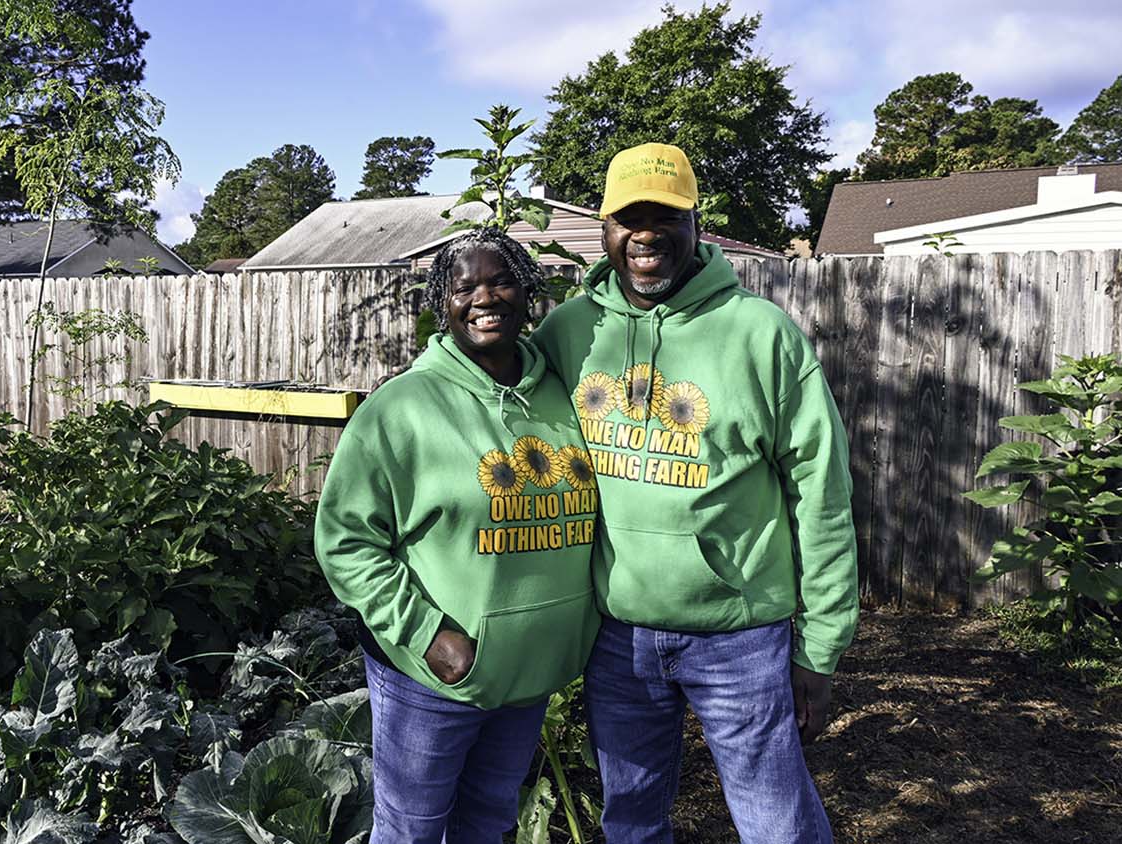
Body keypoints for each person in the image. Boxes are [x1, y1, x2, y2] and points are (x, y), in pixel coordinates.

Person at [532, 142, 858, 842]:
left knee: (778, 825)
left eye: (666, 216)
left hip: (739, 637)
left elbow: (821, 495)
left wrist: (821, 645)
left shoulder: (760, 336)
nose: (646, 234)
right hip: (617, 637)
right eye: (629, 217)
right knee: (631, 822)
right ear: (604, 227)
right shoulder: (569, 331)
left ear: (695, 224)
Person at [315, 227, 601, 844]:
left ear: (527, 292)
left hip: (527, 675)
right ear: (441, 303)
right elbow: (345, 541)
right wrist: (429, 634)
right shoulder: (401, 408)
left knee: (489, 822)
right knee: (412, 831)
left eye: (500, 280)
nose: (483, 297)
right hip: (433, 673)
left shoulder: (563, 396)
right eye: (463, 286)